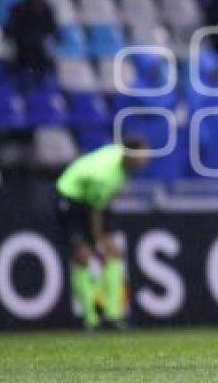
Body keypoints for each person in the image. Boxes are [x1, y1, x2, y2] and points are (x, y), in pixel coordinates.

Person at [54, 136, 149, 329]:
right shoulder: (106, 175)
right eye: (142, 155)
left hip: (91, 199)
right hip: (70, 200)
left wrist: (102, 241)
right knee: (83, 256)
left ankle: (113, 315)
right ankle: (91, 319)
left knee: (113, 254)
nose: (145, 160)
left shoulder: (120, 160)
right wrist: (99, 238)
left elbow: (101, 203)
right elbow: (95, 210)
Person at [4, 0, 57, 83]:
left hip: (40, 54)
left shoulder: (47, 10)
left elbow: (52, 30)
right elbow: (10, 31)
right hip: (22, 53)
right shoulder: (19, 9)